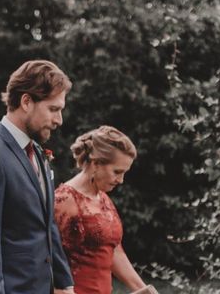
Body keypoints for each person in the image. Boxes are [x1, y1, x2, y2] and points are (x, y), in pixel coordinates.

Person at [0, 60, 75, 294]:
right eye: (54, 109)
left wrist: (64, 282)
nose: (59, 120)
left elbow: (47, 224)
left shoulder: (39, 153)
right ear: (26, 101)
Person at [54, 126, 158, 294]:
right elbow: (47, 260)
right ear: (96, 164)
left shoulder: (103, 198)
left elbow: (114, 250)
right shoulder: (64, 200)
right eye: (117, 172)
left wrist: (144, 290)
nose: (121, 180)